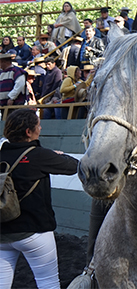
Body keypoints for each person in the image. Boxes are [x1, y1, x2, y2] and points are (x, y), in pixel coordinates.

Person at [0, 108, 78, 289]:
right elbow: (74, 166)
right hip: (34, 232)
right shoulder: (39, 155)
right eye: (38, 125)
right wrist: (54, 155)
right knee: (48, 283)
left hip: (2, 231)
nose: (40, 128)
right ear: (29, 132)